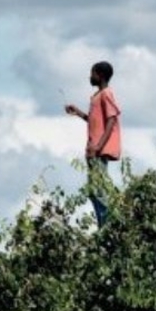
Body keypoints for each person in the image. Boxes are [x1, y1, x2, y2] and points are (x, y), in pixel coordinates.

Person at [65, 61, 121, 227]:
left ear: (100, 75)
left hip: (97, 151)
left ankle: (108, 226)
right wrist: (79, 113)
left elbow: (112, 119)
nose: (90, 77)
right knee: (93, 191)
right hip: (92, 151)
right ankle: (102, 225)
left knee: (99, 190)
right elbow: (96, 122)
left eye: (93, 73)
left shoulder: (106, 94)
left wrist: (98, 146)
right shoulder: (97, 96)